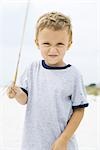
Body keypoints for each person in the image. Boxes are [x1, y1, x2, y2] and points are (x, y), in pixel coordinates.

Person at [7, 11, 89, 150]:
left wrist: (63, 139)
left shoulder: (73, 75)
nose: (53, 49)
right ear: (37, 43)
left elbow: (79, 110)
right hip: (32, 144)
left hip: (61, 145)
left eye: (59, 44)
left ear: (69, 44)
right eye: (46, 43)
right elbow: (24, 99)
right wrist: (16, 93)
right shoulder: (33, 69)